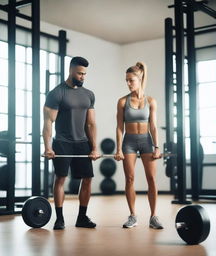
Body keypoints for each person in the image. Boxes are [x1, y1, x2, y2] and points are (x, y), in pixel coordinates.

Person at [43, 56, 100, 230]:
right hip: (62, 142)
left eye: (84, 74)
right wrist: (48, 147)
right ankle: (59, 219)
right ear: (71, 70)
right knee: (61, 178)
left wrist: (94, 147)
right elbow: (48, 122)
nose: (83, 77)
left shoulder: (89, 95)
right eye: (80, 73)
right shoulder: (57, 93)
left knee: (88, 179)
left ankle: (82, 218)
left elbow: (91, 124)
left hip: (82, 142)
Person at [114, 62, 163, 229]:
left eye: (131, 80)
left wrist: (157, 147)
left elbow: (154, 126)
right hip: (129, 142)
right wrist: (118, 148)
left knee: (152, 179)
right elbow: (120, 127)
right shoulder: (122, 102)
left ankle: (154, 217)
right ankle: (133, 215)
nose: (128, 83)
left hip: (146, 141)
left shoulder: (151, 101)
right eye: (126, 80)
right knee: (130, 178)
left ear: (139, 78)